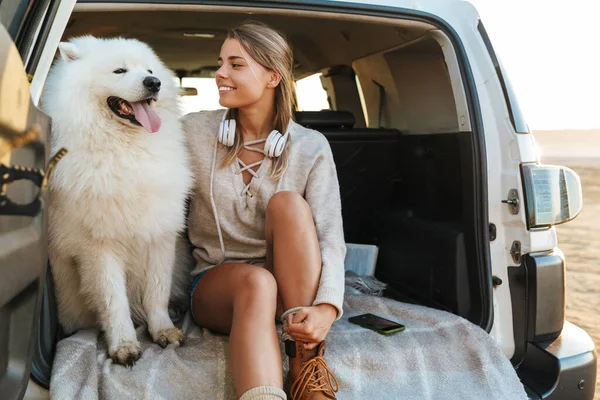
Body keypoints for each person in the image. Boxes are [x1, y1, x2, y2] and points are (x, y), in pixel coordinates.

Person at [181, 20, 345, 400]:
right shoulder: (191, 132)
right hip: (218, 287)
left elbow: (329, 238)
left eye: (236, 64)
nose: (220, 73)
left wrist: (327, 308)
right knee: (258, 282)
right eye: (220, 62)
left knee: (288, 203)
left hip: (292, 291)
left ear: (273, 77)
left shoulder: (311, 146)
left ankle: (306, 362)